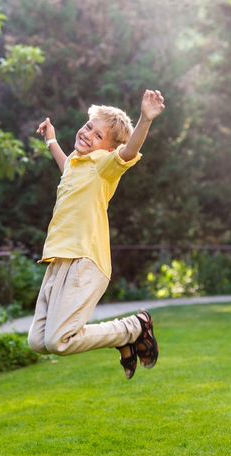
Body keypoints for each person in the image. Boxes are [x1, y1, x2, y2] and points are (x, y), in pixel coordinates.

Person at [26, 89, 165, 380]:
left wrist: (145, 119)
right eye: (89, 126)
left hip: (85, 261)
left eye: (98, 135)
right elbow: (65, 166)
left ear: (106, 149)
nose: (89, 134)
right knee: (37, 341)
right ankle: (123, 339)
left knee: (58, 341)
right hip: (59, 260)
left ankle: (135, 327)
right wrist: (51, 138)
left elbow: (128, 152)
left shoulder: (103, 168)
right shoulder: (77, 167)